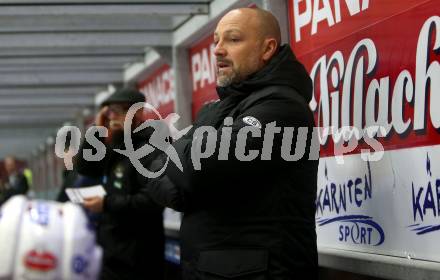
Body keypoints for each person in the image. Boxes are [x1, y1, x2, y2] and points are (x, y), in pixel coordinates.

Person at [145, 7, 319, 279]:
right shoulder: (226, 108)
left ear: (267, 49)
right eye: (216, 40)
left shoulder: (280, 108)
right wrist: (186, 160)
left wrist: (178, 147)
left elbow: (193, 170)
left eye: (233, 39)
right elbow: (174, 191)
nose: (217, 50)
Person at [75, 88, 165, 280]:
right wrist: (96, 131)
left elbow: (153, 201)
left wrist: (106, 203)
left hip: (138, 258)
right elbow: (85, 168)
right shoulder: (118, 147)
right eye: (109, 111)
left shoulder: (152, 148)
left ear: (138, 113)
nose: (112, 116)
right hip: (113, 253)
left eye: (119, 110)